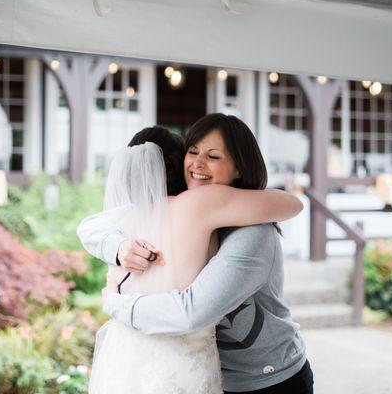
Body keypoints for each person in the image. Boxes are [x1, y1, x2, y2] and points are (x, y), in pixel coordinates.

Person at [79, 115, 311, 393]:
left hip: (267, 378)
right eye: (193, 152)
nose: (198, 163)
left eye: (213, 156)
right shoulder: (163, 213)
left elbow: (190, 311)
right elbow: (92, 224)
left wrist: (116, 304)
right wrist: (119, 248)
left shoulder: (252, 233)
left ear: (239, 167)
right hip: (209, 372)